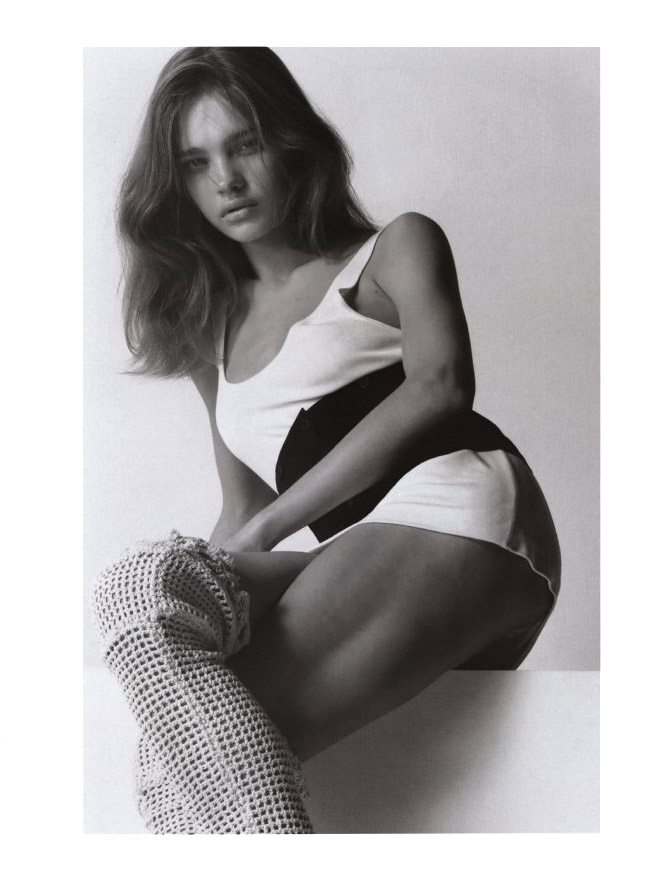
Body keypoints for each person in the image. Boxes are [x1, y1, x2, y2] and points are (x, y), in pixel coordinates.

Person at [94, 46, 561, 834]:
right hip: (359, 552)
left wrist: (264, 535)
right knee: (144, 603)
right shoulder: (212, 335)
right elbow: (242, 508)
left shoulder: (392, 250)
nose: (227, 181)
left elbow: (441, 385)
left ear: (288, 141)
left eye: (244, 145)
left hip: (463, 511)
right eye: (197, 162)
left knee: (202, 760)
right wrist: (178, 639)